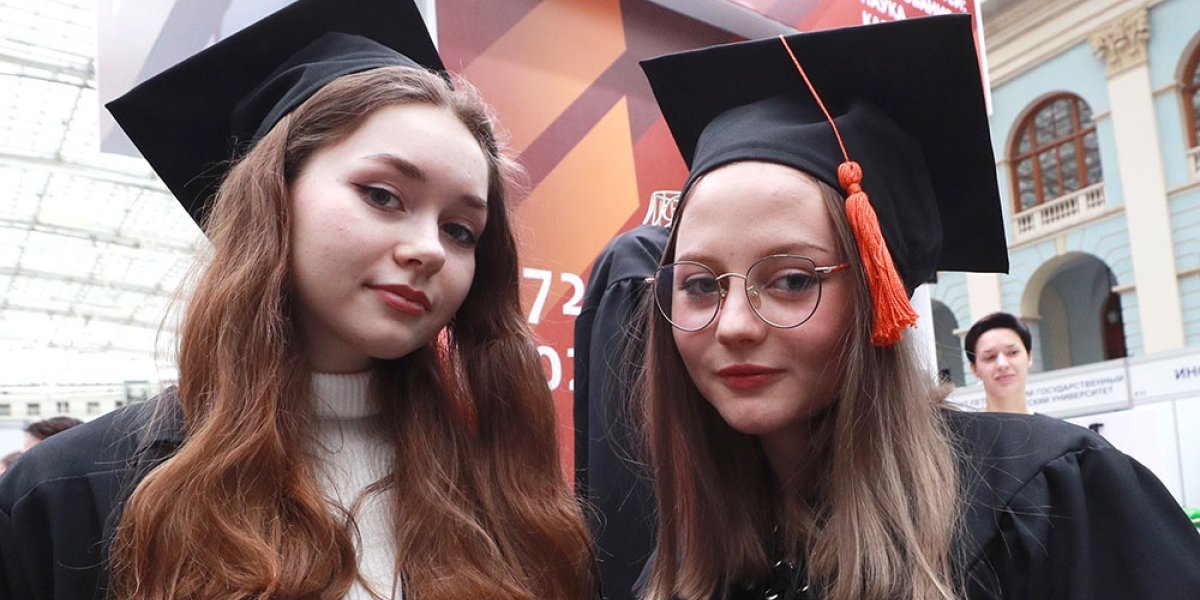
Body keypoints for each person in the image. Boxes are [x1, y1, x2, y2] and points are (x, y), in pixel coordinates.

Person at [0, 0, 595, 598]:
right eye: (383, 196)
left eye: (461, 230)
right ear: (271, 199)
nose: (429, 249)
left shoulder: (504, 496)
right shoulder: (71, 494)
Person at [631, 15, 1200, 600]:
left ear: (879, 293)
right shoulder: (689, 559)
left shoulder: (1048, 503)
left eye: (793, 280)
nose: (733, 326)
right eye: (700, 285)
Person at [963, 312, 1034, 413]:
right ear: (974, 369)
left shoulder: (1051, 424)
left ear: (1029, 357)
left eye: (1012, 353)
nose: (1002, 364)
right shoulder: (965, 424)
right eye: (990, 357)